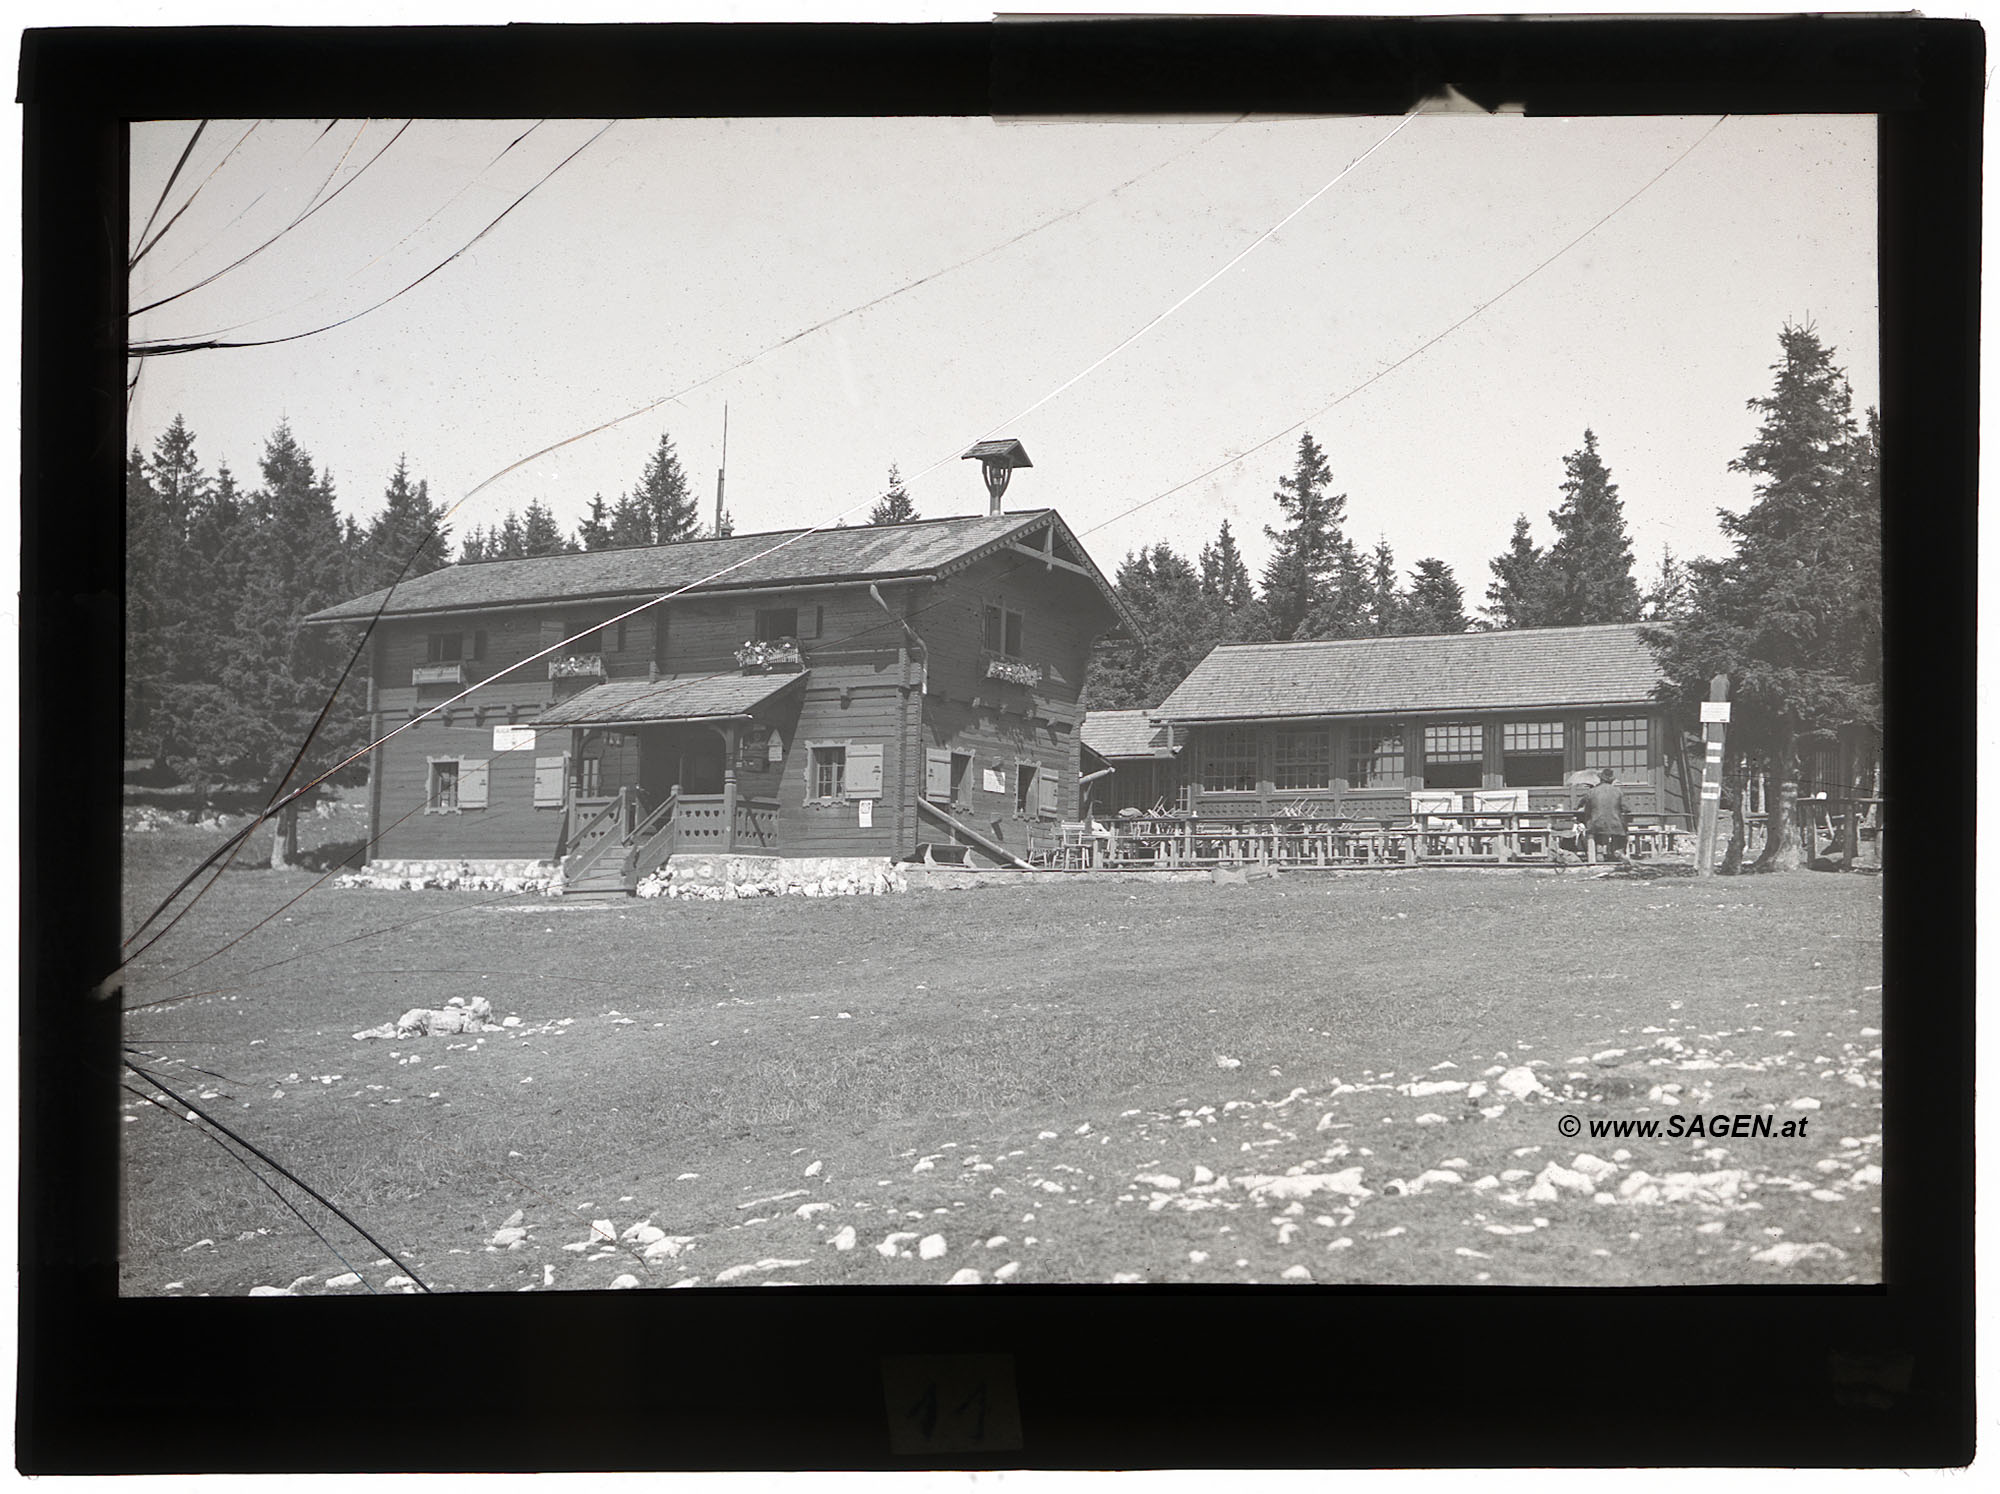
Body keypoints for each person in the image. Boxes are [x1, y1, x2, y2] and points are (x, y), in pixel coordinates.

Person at [1576, 767, 1631, 863]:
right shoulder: (1618, 791)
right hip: (1615, 824)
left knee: (1596, 828)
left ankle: (1599, 852)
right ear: (1612, 780)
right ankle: (1617, 850)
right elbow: (1627, 808)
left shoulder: (1591, 791)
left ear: (1600, 779)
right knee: (1622, 830)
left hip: (1596, 824)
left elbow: (1581, 805)